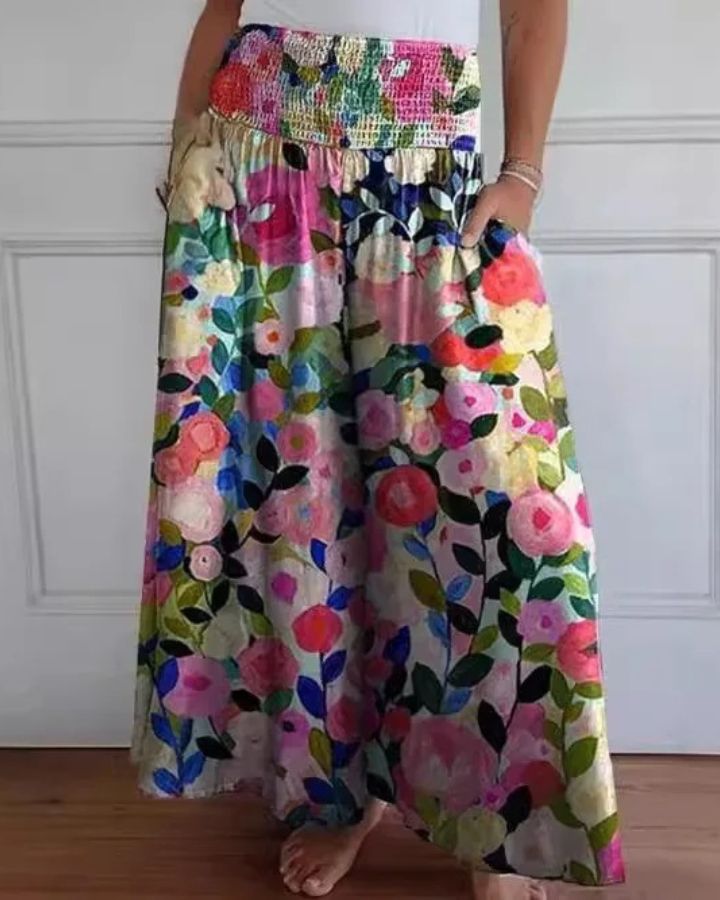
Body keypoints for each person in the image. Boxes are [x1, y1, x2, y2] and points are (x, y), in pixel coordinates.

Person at [131, 2, 626, 898]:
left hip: (428, 179)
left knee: (489, 511)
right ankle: (342, 796)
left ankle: (492, 825)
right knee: (307, 507)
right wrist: (184, 146)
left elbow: (533, 10)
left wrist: (522, 171)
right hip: (258, 162)